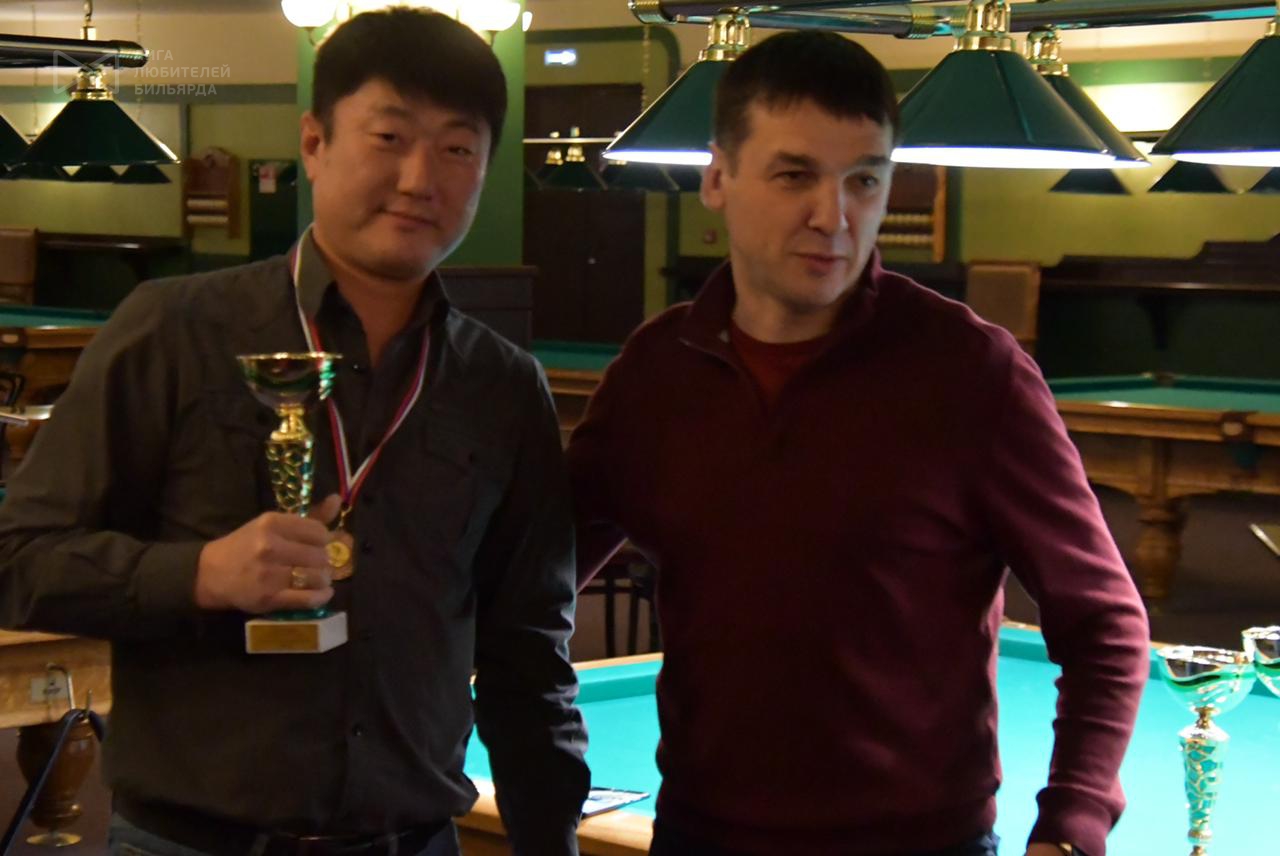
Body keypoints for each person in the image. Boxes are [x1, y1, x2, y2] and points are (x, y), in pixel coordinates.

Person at [0, 9, 588, 856]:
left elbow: (527, 650)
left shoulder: (502, 386)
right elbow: (20, 559)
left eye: (458, 149)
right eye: (389, 137)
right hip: (191, 842)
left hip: (415, 840)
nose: (420, 178)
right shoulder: (174, 330)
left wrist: (550, 839)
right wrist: (198, 574)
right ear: (313, 142)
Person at [568, 30, 1149, 856]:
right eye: (795, 175)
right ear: (717, 178)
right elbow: (529, 578)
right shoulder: (655, 373)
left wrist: (1074, 821)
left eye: (864, 180)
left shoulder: (973, 373)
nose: (833, 216)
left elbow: (1104, 623)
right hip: (699, 836)